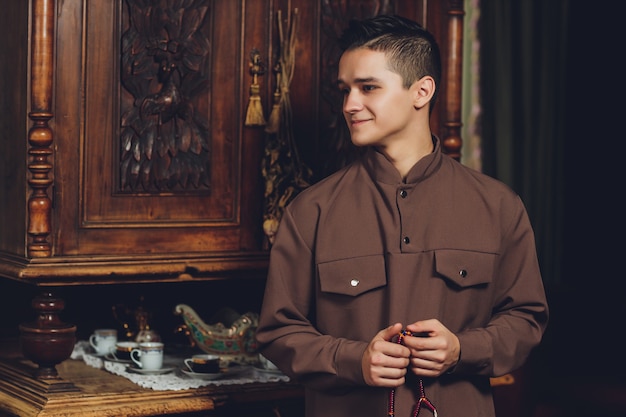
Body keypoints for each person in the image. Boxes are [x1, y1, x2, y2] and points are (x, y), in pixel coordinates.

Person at [255, 14, 548, 417]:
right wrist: (353, 360)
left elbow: (526, 319)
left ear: (421, 91)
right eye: (345, 90)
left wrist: (463, 349)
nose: (349, 105)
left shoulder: (498, 205)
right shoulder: (311, 211)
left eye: (368, 88)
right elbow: (277, 331)